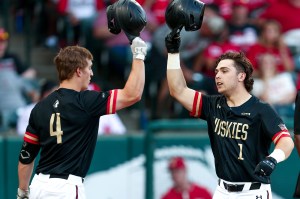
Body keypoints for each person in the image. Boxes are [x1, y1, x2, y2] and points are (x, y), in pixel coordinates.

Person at [164, 1, 294, 195]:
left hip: (253, 191)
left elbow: (286, 141)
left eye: (224, 71)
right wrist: (173, 53)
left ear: (241, 76)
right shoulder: (213, 104)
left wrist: (273, 158)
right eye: (216, 71)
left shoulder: (261, 109)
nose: (217, 75)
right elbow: (178, 90)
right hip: (222, 190)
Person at [16, 35, 147, 199]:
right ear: (79, 71)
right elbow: (132, 94)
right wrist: (139, 55)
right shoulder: (86, 101)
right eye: (89, 68)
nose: (91, 73)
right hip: (65, 188)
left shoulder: (39, 107)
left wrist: (23, 192)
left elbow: (26, 158)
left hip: (38, 186)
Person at [0, 27, 38, 132]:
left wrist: (15, 80)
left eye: (3, 42)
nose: (1, 45)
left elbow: (31, 73)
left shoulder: (12, 57)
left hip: (15, 96)